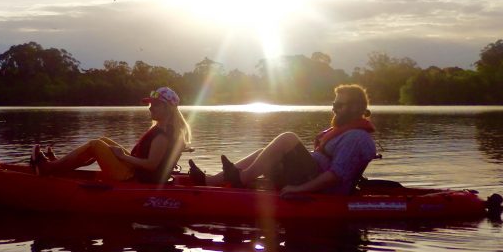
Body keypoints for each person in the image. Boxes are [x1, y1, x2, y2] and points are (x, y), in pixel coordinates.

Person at [188, 84, 377, 195]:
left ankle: (241, 179)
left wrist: (299, 189)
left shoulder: (357, 137)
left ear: (355, 107)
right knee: (263, 152)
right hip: (308, 174)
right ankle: (210, 181)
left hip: (322, 188)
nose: (334, 108)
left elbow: (335, 176)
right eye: (334, 103)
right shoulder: (344, 130)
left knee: (288, 138)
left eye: (339, 104)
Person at [31, 87, 191, 183]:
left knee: (96, 145)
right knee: (103, 141)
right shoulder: (164, 131)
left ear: (167, 108)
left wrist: (123, 156)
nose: (150, 108)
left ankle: (50, 168)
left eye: (155, 105)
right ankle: (59, 166)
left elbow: (151, 165)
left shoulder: (162, 136)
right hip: (135, 172)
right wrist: (121, 156)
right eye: (150, 104)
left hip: (134, 178)